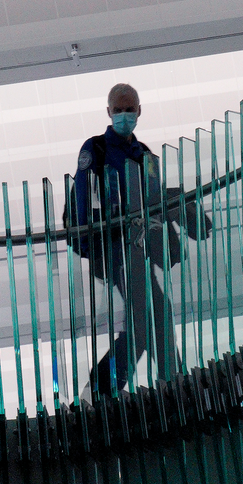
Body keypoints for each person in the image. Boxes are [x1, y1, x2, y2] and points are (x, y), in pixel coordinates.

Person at [70, 82, 205, 398]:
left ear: (139, 111)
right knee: (153, 314)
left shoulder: (145, 154)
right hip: (115, 250)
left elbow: (154, 200)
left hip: (140, 249)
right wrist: (90, 245)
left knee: (152, 317)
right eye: (118, 110)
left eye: (129, 109)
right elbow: (80, 198)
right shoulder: (96, 149)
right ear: (108, 112)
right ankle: (160, 383)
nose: (124, 115)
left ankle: (117, 387)